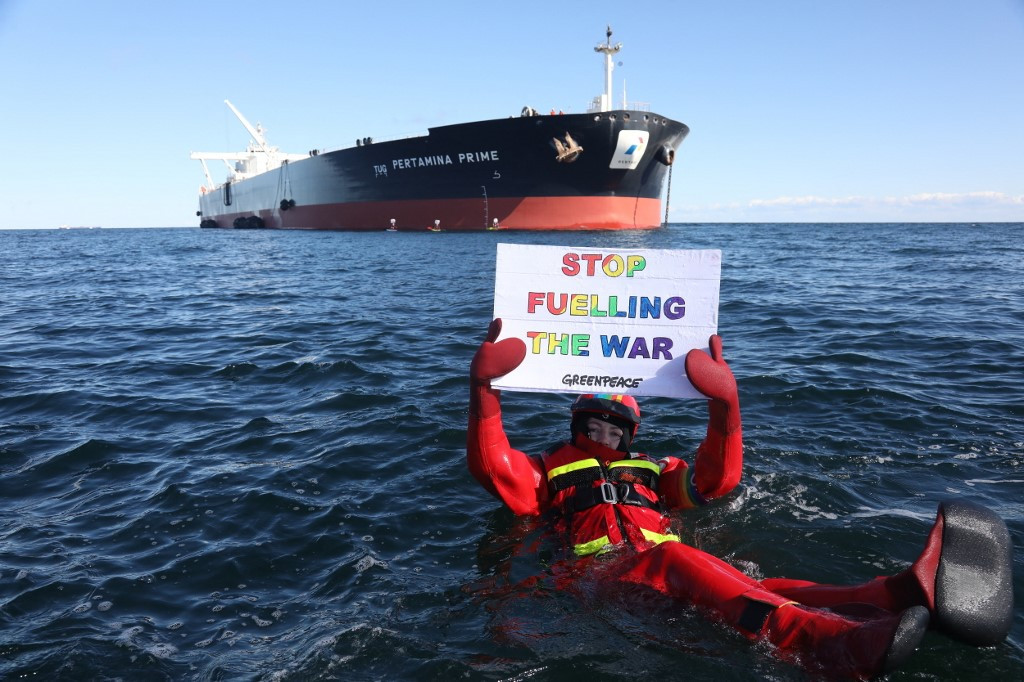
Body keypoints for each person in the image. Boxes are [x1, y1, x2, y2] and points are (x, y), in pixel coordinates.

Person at [467, 319, 1013, 679]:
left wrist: (725, 405)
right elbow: (493, 465)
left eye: (615, 428)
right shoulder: (546, 470)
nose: (604, 435)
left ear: (630, 435)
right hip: (599, 576)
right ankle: (819, 645)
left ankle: (890, 594)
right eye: (594, 425)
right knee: (678, 559)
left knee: (749, 585)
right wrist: (483, 391)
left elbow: (715, 482)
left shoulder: (655, 471)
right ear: (577, 425)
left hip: (657, 563)